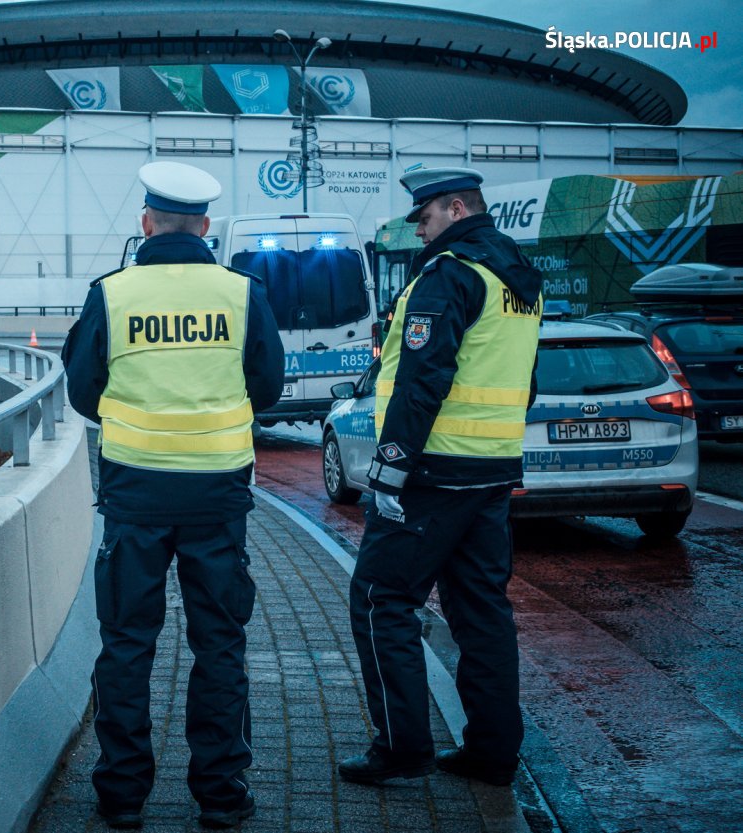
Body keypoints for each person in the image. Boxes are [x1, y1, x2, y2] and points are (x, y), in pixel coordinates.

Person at [63, 161, 284, 830]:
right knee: (220, 644)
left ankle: (122, 796)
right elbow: (268, 389)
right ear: (207, 227)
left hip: (135, 495)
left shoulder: (113, 292)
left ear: (146, 224)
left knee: (128, 644)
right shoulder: (243, 293)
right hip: (218, 498)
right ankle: (221, 795)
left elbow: (80, 390)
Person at [338, 167, 542, 787]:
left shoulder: (450, 272)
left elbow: (422, 379)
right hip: (490, 471)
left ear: (456, 208)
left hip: (432, 470)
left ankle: (402, 749)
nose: (420, 231)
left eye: (424, 218)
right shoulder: (519, 278)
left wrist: (390, 468)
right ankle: (491, 752)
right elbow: (525, 379)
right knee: (481, 610)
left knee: (380, 600)